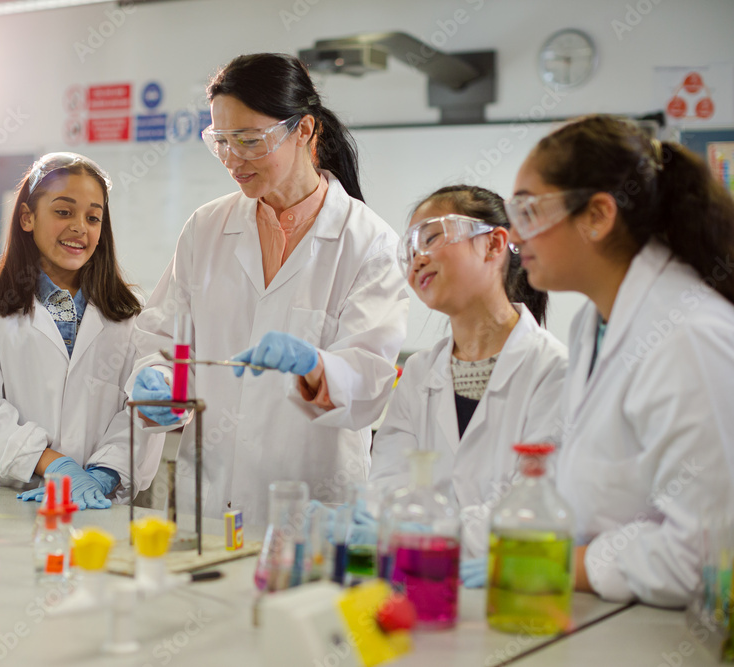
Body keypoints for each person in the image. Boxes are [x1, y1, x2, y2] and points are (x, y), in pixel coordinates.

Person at [127, 53, 409, 525]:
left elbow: (369, 383)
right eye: (221, 142)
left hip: (313, 502)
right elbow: (163, 338)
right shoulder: (207, 228)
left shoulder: (370, 243)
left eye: (250, 141)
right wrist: (154, 382)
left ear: (303, 131)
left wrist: (317, 368)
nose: (233, 160)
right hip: (211, 500)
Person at [507, 114, 734, 607]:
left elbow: (705, 555)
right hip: (609, 612)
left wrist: (564, 563)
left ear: (597, 215)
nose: (514, 236)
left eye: (527, 211)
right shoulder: (592, 326)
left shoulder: (688, 336)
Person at [0, 153, 163, 510]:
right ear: (27, 218)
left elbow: (139, 412)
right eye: (64, 212)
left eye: (93, 217)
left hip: (102, 503)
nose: (80, 227)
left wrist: (104, 474)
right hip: (19, 498)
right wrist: (55, 464)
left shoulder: (131, 312)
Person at [370, 185, 568, 564]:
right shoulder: (418, 373)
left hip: (511, 579)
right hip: (421, 577)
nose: (417, 259)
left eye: (430, 238)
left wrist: (431, 530)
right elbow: (387, 488)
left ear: (494, 245)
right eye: (409, 251)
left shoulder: (552, 368)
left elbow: (535, 504)